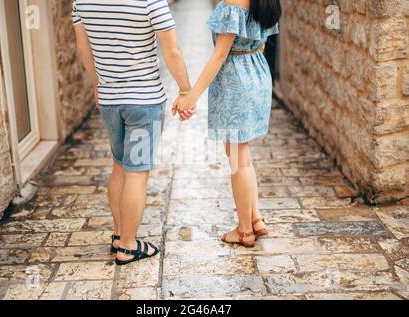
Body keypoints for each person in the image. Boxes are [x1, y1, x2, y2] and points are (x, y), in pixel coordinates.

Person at [72, 0, 194, 265]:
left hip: (110, 101)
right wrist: (186, 90)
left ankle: (119, 236)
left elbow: (84, 49)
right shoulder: (151, 2)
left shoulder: (81, 2)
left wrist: (98, 84)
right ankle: (128, 246)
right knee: (136, 172)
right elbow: (172, 51)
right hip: (144, 103)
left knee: (119, 165)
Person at [174, 0, 281, 247]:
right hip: (257, 73)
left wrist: (191, 96)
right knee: (243, 154)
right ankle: (255, 218)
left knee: (237, 158)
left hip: (236, 82)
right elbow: (262, 43)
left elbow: (219, 55)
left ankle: (244, 231)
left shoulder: (234, 2)